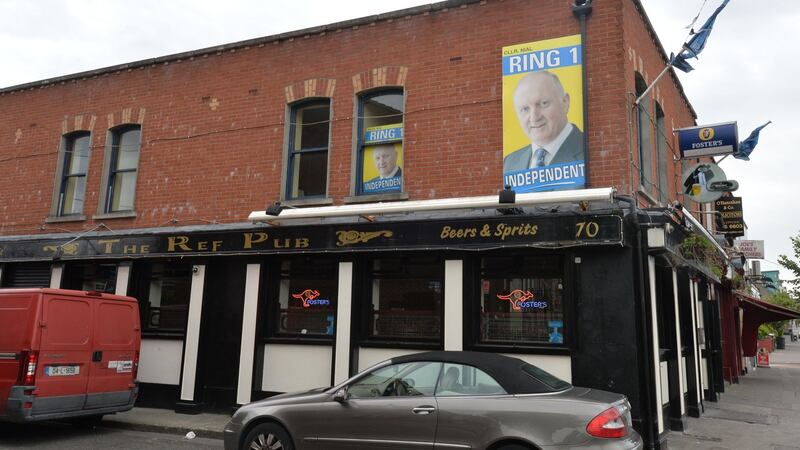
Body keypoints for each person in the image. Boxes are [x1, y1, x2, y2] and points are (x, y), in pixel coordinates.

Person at [503, 71, 584, 173]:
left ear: (565, 102)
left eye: (543, 103)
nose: (534, 117)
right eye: (525, 109)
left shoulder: (589, 149)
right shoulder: (509, 163)